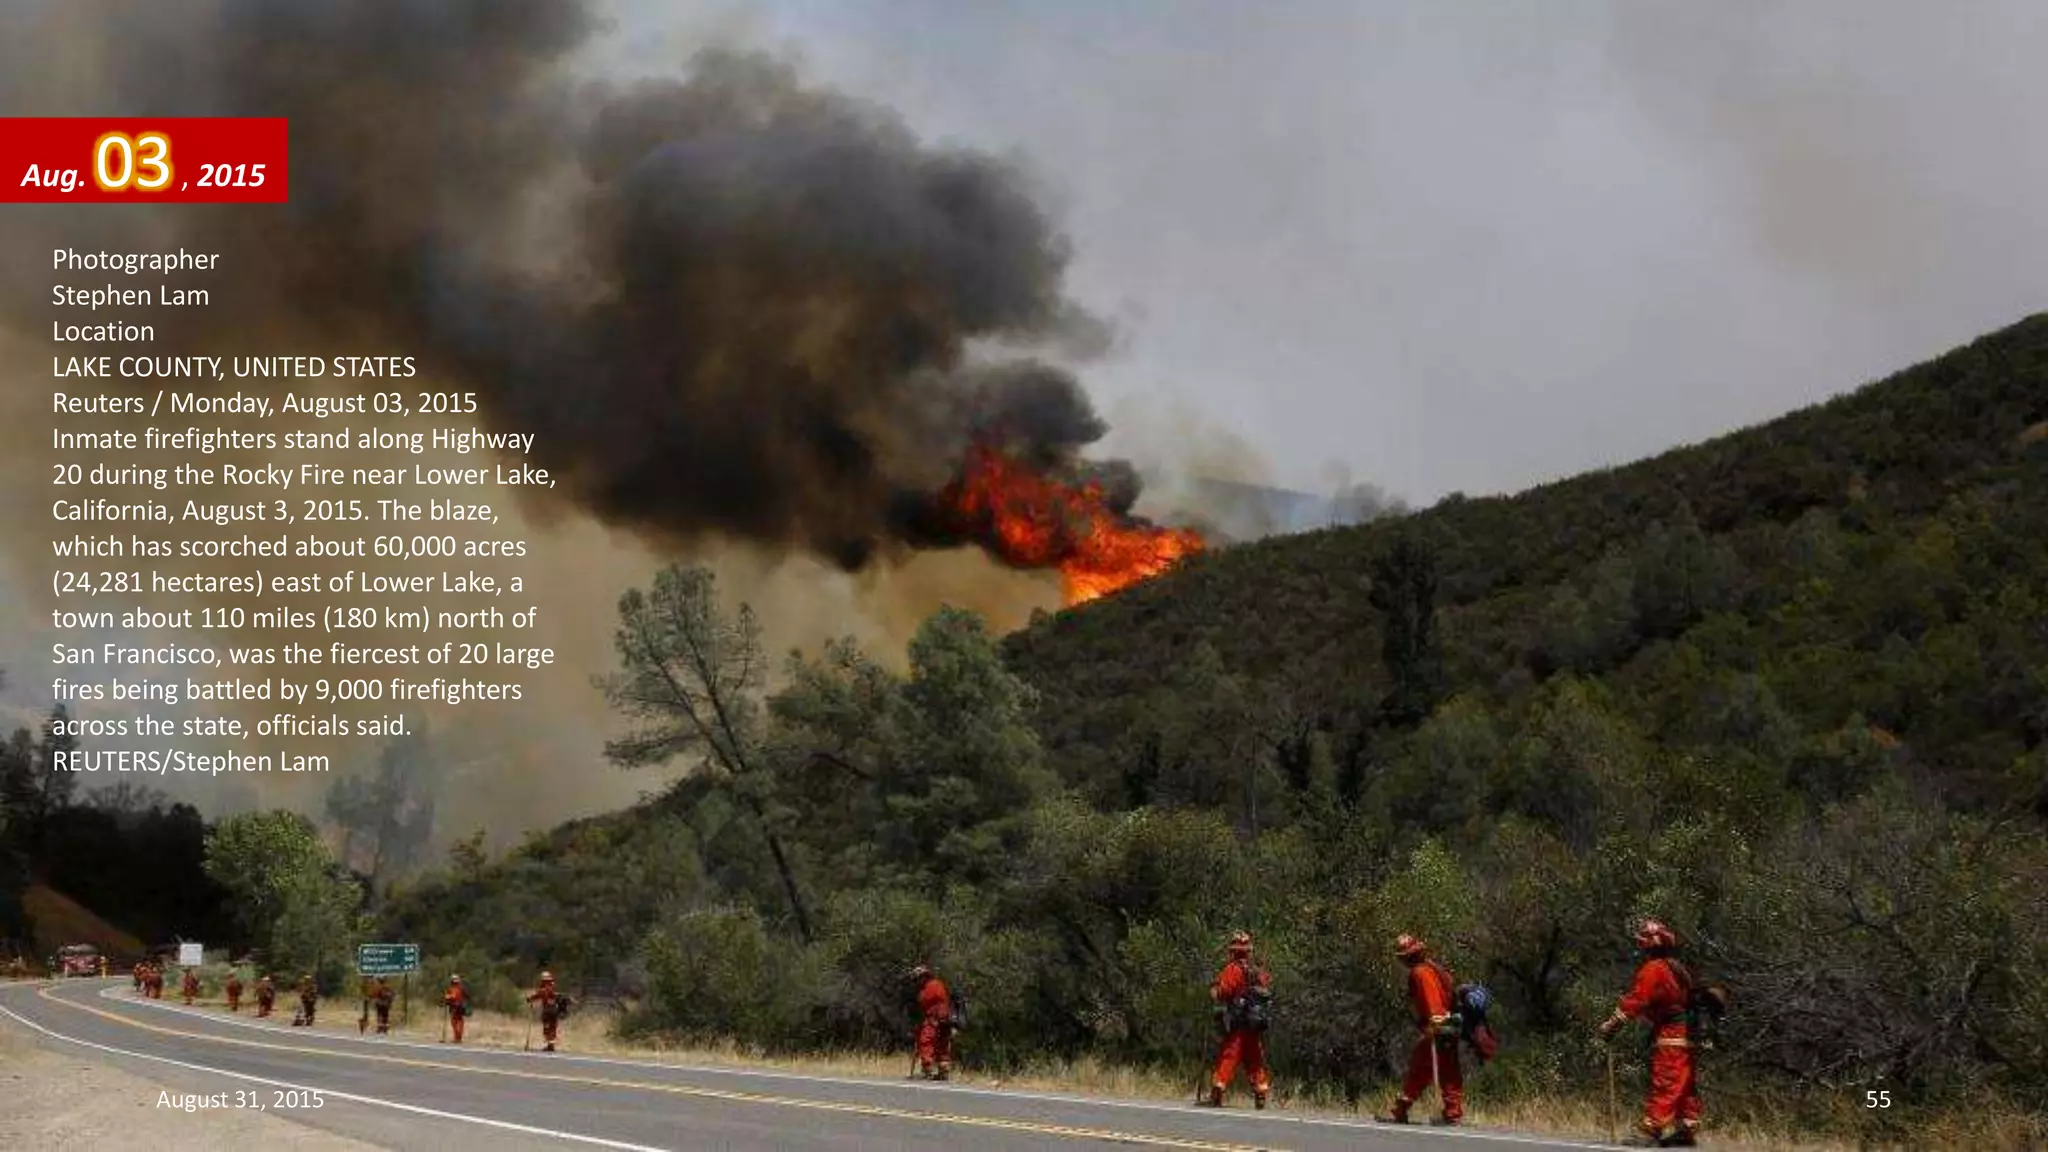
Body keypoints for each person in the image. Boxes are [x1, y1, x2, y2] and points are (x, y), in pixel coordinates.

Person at [1597, 919, 1702, 1147]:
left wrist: (1611, 1024)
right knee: (1684, 1083)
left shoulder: (1653, 969)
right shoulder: (1677, 968)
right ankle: (1686, 1127)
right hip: (1688, 1034)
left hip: (1672, 1035)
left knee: (1666, 1080)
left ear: (1648, 945)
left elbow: (1636, 1000)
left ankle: (1651, 1129)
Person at [1382, 934, 1463, 1126]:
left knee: (1422, 1069)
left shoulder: (1420, 973)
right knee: (1448, 1071)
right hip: (1447, 1026)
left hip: (1438, 1028)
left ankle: (1402, 1109)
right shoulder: (1431, 968)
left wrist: (1435, 1025)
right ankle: (1451, 1113)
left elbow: (1432, 1003)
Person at [1201, 930, 1272, 1109]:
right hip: (1254, 1024)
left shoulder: (1232, 969)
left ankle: (1218, 1088)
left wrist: (1214, 990)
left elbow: (1223, 992)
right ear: (1248, 950)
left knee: (1229, 1056)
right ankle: (1261, 1091)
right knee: (1255, 1059)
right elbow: (1266, 986)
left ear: (1233, 950)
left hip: (1237, 1023)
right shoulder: (1257, 971)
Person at [905, 965, 954, 1081]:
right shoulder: (938, 984)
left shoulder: (930, 987)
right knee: (942, 1044)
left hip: (934, 1019)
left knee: (925, 1042)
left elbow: (924, 1001)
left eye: (917, 979)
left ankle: (927, 1070)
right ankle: (943, 1071)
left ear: (924, 977)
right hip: (945, 1019)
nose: (917, 982)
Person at [526, 971, 561, 1052]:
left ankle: (550, 1045)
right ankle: (551, 1045)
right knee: (553, 1027)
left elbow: (535, 996)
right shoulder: (553, 989)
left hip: (547, 1011)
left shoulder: (543, 990)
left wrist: (529, 999)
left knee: (547, 1028)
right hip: (555, 1011)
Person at [442, 974, 468, 1043]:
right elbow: (465, 996)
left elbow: (453, 996)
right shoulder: (460, 988)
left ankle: (457, 1038)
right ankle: (458, 1037)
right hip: (459, 1006)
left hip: (455, 1007)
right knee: (459, 1022)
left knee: (455, 1022)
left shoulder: (453, 988)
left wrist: (447, 997)